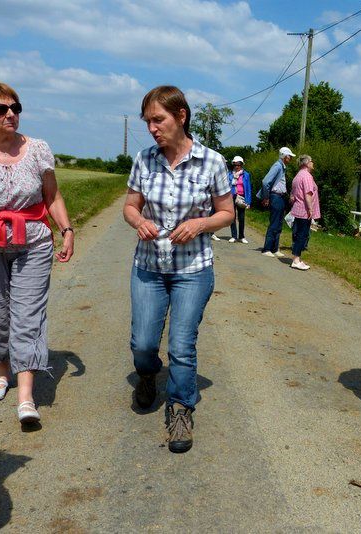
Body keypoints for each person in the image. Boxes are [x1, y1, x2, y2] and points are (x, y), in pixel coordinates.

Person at [0, 81, 75, 426]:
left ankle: (25, 395)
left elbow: (53, 196)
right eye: (0, 110)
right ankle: (1, 370)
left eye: (15, 108)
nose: (10, 115)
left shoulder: (38, 149)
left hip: (33, 242)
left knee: (28, 314)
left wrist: (66, 230)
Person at [123, 86, 233, 453]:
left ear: (181, 116)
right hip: (149, 266)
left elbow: (227, 212)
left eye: (159, 120)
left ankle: (181, 409)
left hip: (193, 269)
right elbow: (130, 206)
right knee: (143, 344)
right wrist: (138, 220)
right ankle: (147, 374)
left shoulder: (212, 162)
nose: (153, 128)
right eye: (148, 121)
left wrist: (201, 225)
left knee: (182, 346)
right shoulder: (144, 159)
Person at [259, 146, 295, 257]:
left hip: (280, 197)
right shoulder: (277, 166)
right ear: (284, 156)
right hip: (275, 197)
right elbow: (265, 182)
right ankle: (267, 249)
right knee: (274, 223)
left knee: (279, 224)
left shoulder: (282, 167)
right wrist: (266, 197)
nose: (291, 158)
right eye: (289, 156)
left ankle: (275, 248)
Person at [289, 154, 320, 270]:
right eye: (312, 161)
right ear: (307, 163)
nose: (313, 163)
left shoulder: (298, 175)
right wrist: (310, 208)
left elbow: (293, 194)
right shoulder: (306, 176)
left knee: (299, 234)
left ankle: (296, 258)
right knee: (302, 235)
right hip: (304, 209)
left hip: (298, 208)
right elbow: (308, 193)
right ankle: (296, 260)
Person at [228, 155, 251, 244]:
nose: (237, 166)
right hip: (231, 197)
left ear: (242, 165)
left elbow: (248, 188)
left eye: (238, 165)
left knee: (241, 217)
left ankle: (241, 236)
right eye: (235, 165)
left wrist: (248, 201)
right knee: (232, 217)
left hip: (241, 197)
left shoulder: (246, 175)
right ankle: (234, 236)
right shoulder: (229, 174)